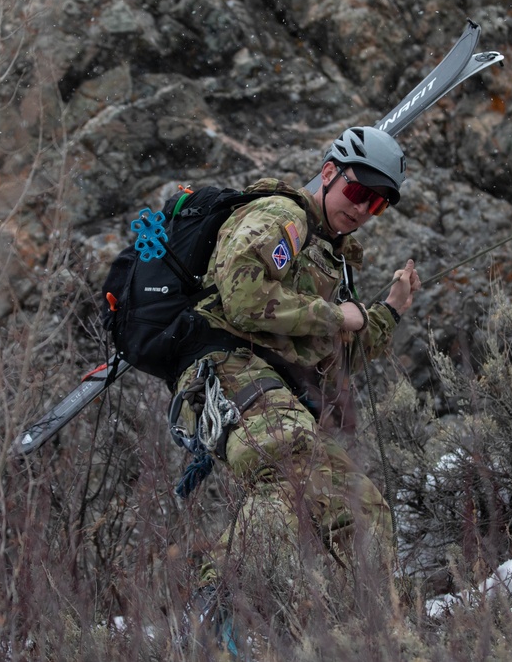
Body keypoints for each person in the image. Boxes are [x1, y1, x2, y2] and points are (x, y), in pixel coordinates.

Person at [173, 125, 421, 645]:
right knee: (285, 466)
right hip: (225, 366)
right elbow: (242, 297)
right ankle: (210, 615)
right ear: (328, 173)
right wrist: (337, 315)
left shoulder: (329, 257)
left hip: (270, 382)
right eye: (357, 192)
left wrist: (390, 312)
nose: (361, 209)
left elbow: (329, 351)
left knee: (363, 510)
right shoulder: (281, 218)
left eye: (376, 205)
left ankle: (368, 636)